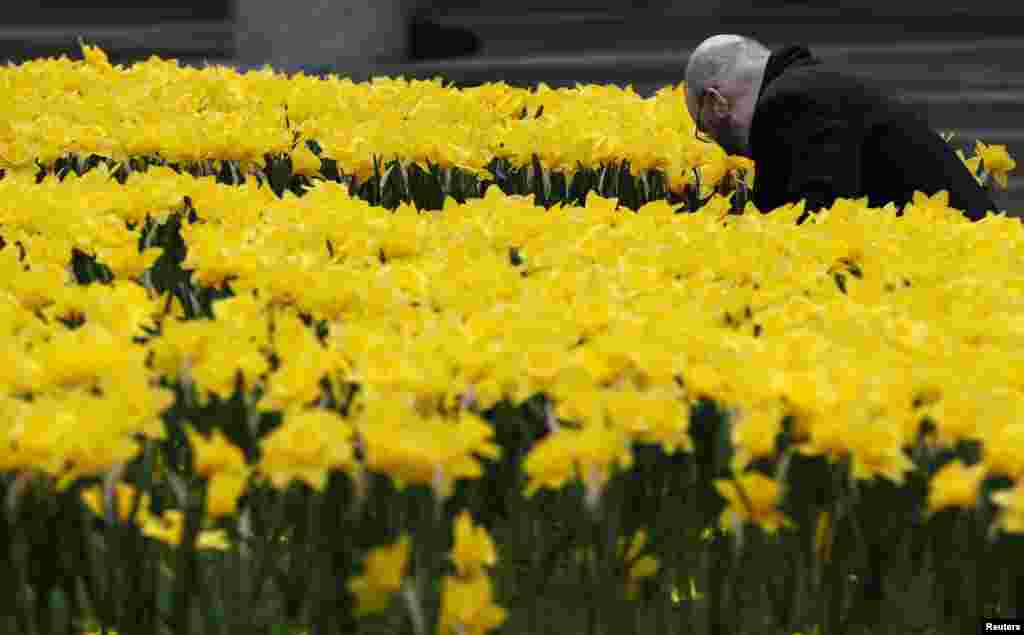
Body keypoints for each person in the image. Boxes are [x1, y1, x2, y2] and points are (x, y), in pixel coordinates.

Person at [684, 34, 1000, 222]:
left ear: (716, 102)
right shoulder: (811, 86)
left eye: (705, 128)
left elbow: (815, 221)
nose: (718, 143)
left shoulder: (788, 103)